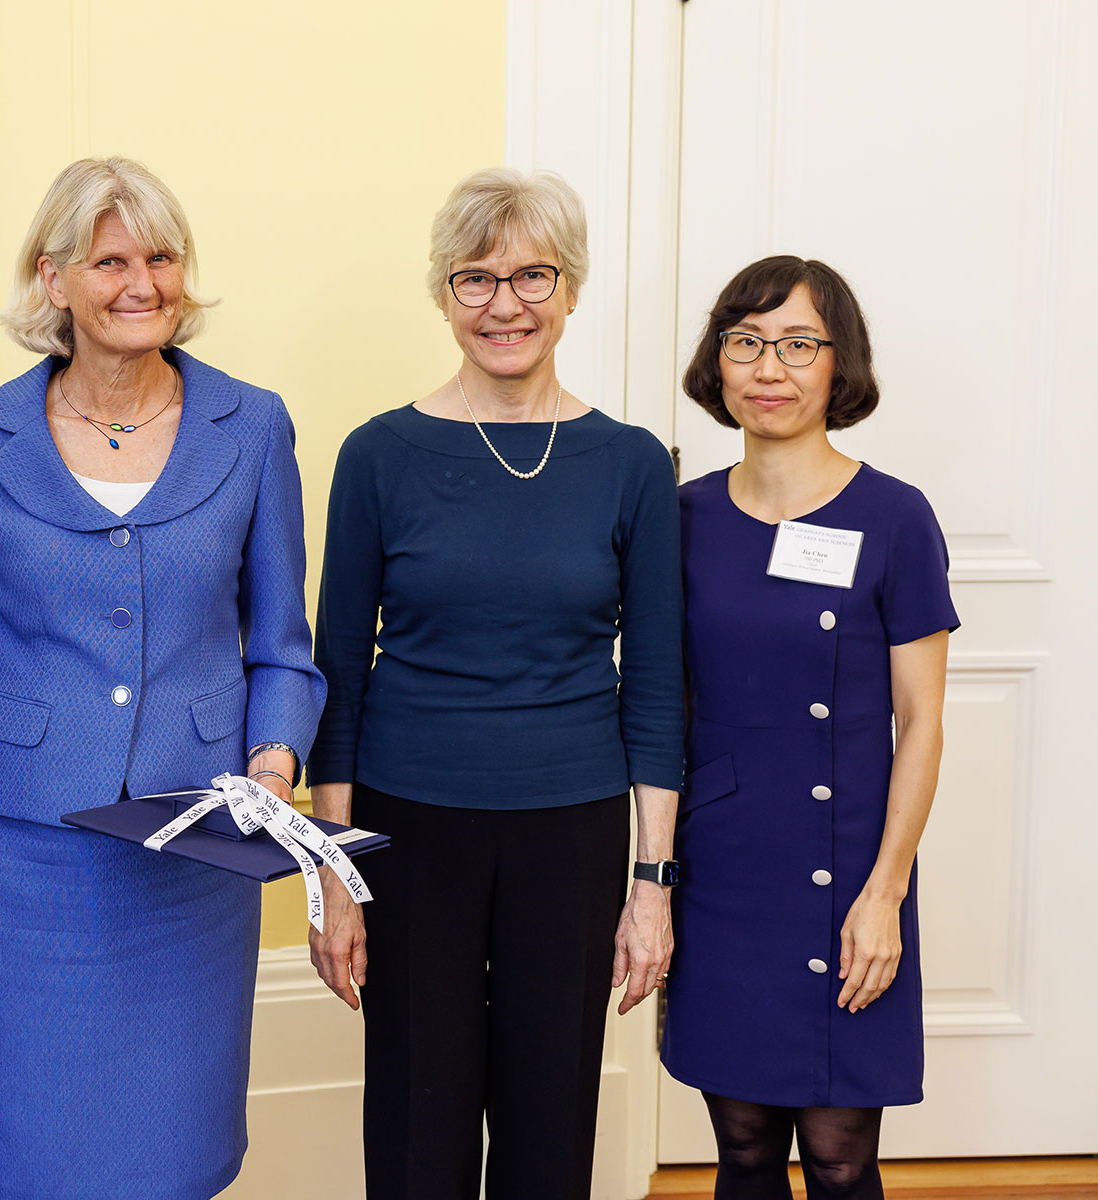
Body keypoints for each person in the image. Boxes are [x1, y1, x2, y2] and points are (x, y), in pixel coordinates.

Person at [0, 156, 324, 1200]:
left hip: (193, 851)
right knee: (27, 1142)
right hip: (27, 856)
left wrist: (272, 767)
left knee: (170, 1145)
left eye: (161, 256)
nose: (141, 283)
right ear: (54, 281)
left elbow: (281, 640)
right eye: (110, 261)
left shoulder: (254, 424)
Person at [306, 167, 683, 1199]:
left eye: (532, 276)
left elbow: (653, 689)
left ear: (572, 289)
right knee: (419, 1118)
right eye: (475, 279)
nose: (504, 305)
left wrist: (651, 889)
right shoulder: (379, 456)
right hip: (408, 824)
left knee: (549, 1120)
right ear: (442, 294)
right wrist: (333, 874)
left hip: (575, 824)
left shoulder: (631, 463)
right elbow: (337, 671)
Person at [661, 256, 957, 1200]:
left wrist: (886, 894)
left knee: (837, 1153)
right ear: (719, 362)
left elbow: (923, 722)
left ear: (840, 365)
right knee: (743, 1145)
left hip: (849, 873)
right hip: (726, 872)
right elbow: (663, 705)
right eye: (744, 342)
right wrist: (654, 881)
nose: (768, 367)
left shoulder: (894, 517)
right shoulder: (683, 518)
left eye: (798, 344)